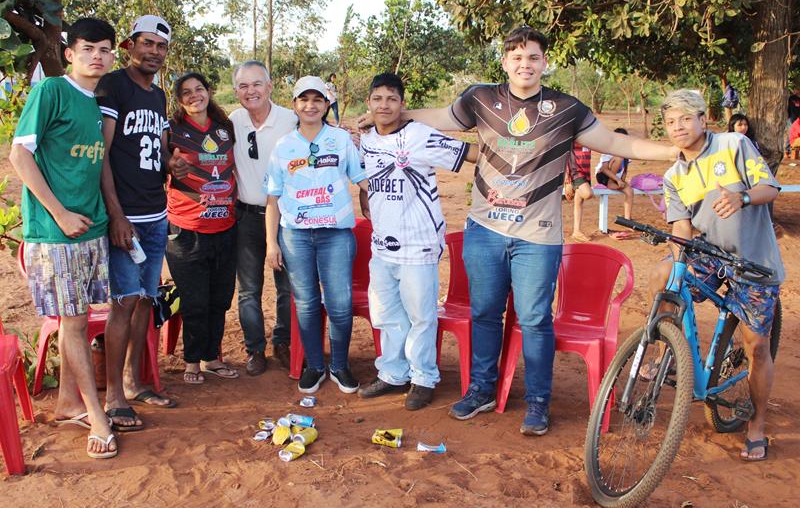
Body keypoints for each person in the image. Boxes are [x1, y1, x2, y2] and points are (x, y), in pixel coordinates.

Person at [358, 26, 678, 435]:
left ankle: (539, 403)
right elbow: (438, 116)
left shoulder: (567, 109)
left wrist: (673, 150)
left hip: (537, 236)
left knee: (534, 319)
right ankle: (481, 390)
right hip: (484, 231)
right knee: (485, 314)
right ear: (504, 62)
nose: (524, 64)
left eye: (532, 57)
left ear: (545, 62)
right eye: (516, 57)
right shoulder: (481, 99)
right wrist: (386, 114)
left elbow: (619, 145)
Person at [650, 89, 783, 461]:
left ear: (703, 119)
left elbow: (770, 188)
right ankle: (666, 352)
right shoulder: (675, 175)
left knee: (756, 344)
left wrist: (741, 198)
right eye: (671, 122)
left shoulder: (734, 145)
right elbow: (681, 227)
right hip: (710, 254)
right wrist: (677, 266)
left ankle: (756, 425)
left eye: (685, 119)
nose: (678, 127)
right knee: (663, 275)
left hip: (754, 259)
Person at [9, 18, 118, 458]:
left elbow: (96, 165)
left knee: (80, 316)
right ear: (70, 53)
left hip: (90, 228)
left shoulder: (94, 104)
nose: (98, 55)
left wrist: (104, 217)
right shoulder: (50, 91)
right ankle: (97, 417)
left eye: (105, 49)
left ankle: (67, 403)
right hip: (57, 234)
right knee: (73, 323)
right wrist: (59, 213)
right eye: (88, 47)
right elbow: (19, 153)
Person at [356, 73, 471, 410]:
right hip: (382, 245)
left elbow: (470, 155)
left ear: (403, 104)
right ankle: (393, 374)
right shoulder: (365, 140)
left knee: (421, 315)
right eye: (378, 99)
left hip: (419, 244)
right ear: (369, 103)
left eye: (392, 99)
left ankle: (423, 378)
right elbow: (366, 182)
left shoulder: (420, 136)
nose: (384, 105)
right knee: (387, 313)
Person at [97, 15, 187, 430]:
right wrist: (116, 215)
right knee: (124, 303)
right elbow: (103, 153)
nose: (153, 52)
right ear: (130, 45)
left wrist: (175, 164)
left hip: (156, 215)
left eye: (161, 46)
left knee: (145, 301)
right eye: (146, 43)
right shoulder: (114, 85)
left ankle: (134, 381)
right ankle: (114, 395)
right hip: (126, 218)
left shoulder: (159, 94)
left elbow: (161, 149)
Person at [265, 76, 369, 394]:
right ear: (295, 105)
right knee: (307, 303)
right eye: (303, 100)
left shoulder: (340, 140)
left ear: (326, 105)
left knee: (339, 302)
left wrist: (385, 211)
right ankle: (314, 365)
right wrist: (271, 243)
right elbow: (272, 200)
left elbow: (363, 181)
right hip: (295, 237)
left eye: (317, 100)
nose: (310, 105)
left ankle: (339, 365)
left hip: (335, 235)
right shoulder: (283, 147)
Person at [165, 73, 238, 384]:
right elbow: (158, 167)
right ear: (179, 99)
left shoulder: (227, 129)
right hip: (185, 229)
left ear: (209, 91)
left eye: (199, 89)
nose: (194, 96)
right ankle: (192, 360)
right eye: (186, 92)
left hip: (226, 225)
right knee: (194, 301)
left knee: (220, 298)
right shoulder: (171, 132)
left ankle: (212, 358)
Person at [230, 61, 295, 375]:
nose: (250, 91)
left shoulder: (290, 120)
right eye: (243, 86)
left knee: (287, 286)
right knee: (248, 289)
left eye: (257, 84)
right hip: (246, 217)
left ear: (270, 87)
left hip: (287, 218)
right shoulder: (233, 122)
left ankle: (283, 342)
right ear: (236, 92)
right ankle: (254, 349)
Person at [595, 127, 633, 221]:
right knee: (619, 158)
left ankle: (627, 219)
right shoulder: (608, 150)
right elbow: (604, 169)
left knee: (629, 191)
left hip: (616, 178)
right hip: (604, 176)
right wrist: (617, 180)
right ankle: (610, 183)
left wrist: (623, 181)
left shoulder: (626, 152)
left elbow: (625, 169)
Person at [564, 142, 594, 242]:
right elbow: (566, 154)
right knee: (588, 194)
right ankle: (574, 186)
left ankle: (576, 231)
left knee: (579, 203)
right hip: (575, 171)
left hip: (586, 172)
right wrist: (567, 178)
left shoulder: (589, 136)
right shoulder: (573, 135)